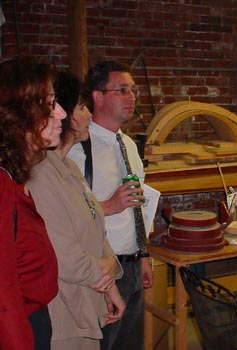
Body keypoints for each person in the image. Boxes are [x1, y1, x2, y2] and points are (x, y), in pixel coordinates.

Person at [27, 71, 126, 350]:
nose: (90, 116)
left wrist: (111, 283)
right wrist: (105, 272)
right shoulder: (39, 175)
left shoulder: (68, 167)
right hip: (64, 312)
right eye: (82, 108)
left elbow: (95, 225)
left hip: (89, 297)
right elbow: (66, 257)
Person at [68, 61, 154, 350]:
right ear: (98, 96)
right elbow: (67, 216)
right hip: (103, 267)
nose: (131, 97)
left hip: (131, 263)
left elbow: (137, 207)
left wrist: (143, 254)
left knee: (130, 345)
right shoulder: (78, 148)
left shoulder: (127, 143)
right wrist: (109, 205)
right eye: (122, 90)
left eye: (133, 90)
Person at [0, 57, 61, 350]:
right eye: (50, 103)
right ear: (20, 112)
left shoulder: (12, 177)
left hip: (34, 315)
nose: (61, 113)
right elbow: (3, 294)